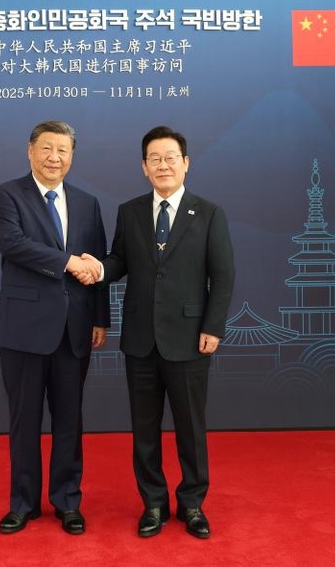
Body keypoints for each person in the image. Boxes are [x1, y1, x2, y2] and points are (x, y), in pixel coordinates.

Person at [95, 125, 235, 539]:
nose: (163, 165)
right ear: (143, 167)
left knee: (191, 427)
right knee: (144, 428)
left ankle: (192, 503)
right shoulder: (130, 211)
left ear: (186, 163)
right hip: (140, 339)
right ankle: (153, 503)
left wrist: (213, 326)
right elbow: (119, 261)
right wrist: (98, 268)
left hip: (191, 338)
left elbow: (223, 276)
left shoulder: (208, 213)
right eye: (154, 158)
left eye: (170, 157)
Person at [0, 120, 108, 536]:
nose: (54, 157)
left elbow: (98, 265)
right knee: (24, 420)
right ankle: (23, 503)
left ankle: (67, 502)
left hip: (75, 329)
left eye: (63, 150)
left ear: (72, 156)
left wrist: (100, 319)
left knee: (69, 420)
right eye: (47, 149)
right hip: (23, 329)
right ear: (30, 151)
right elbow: (14, 245)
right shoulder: (6, 196)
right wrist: (68, 262)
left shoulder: (88, 203)